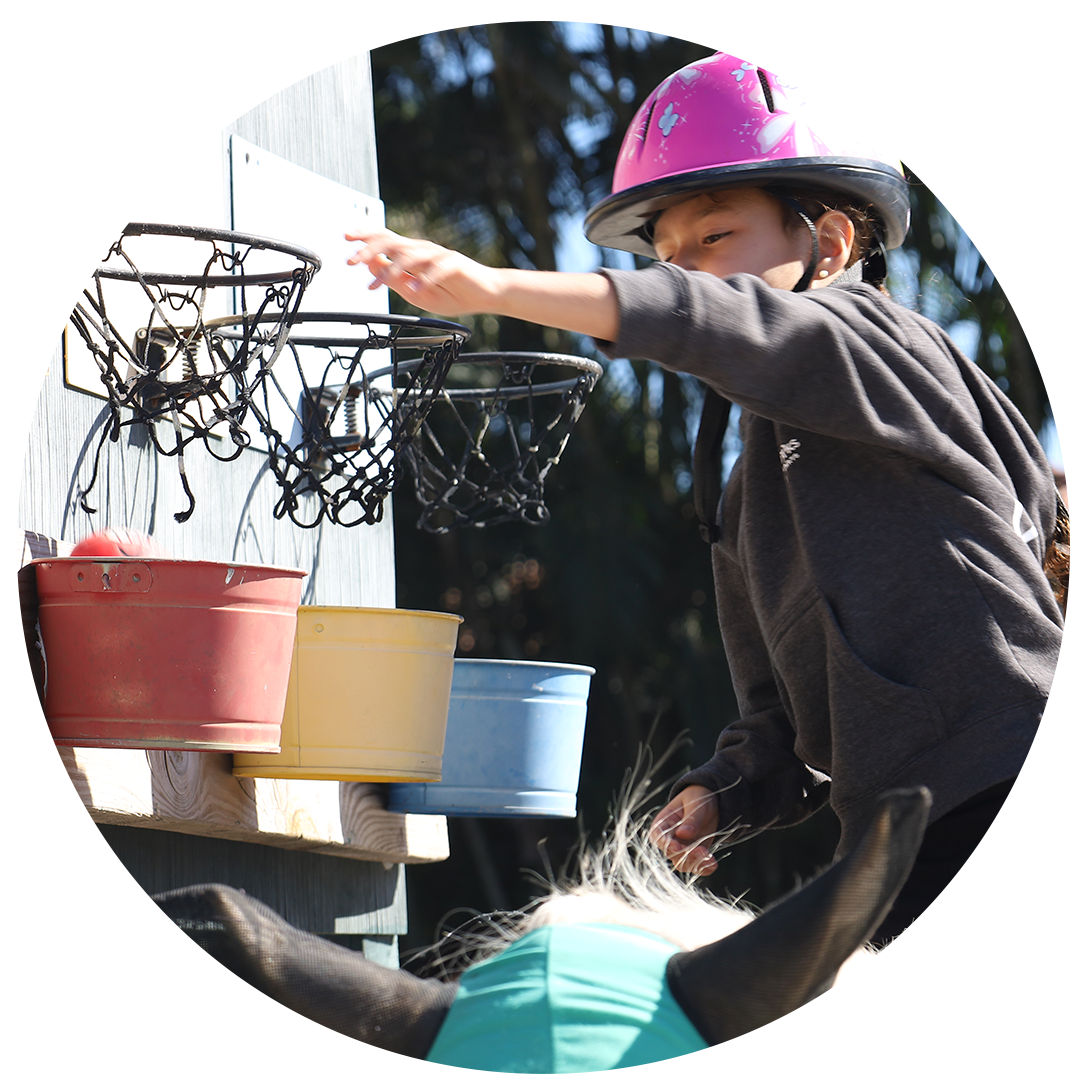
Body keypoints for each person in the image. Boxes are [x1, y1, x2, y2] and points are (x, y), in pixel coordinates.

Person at [348, 51, 1079, 938]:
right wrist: (726, 792)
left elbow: (727, 322)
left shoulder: (881, 345)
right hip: (900, 846)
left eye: (716, 237)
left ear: (832, 242)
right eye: (666, 256)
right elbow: (786, 724)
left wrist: (495, 289)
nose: (686, 272)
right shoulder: (744, 497)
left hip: (1026, 792)